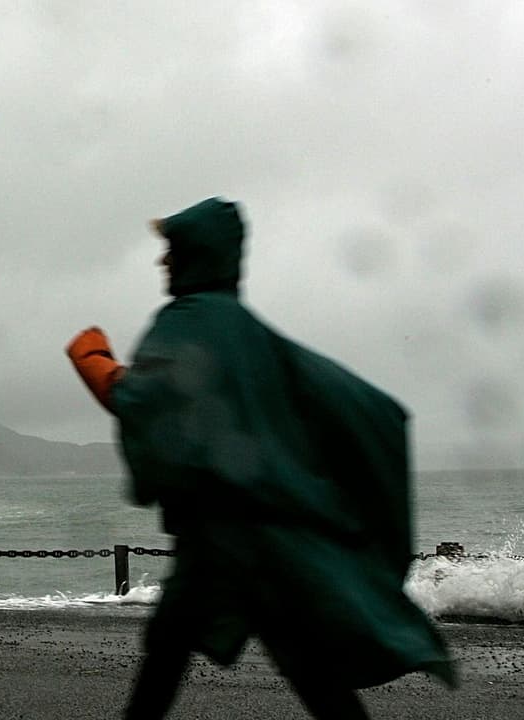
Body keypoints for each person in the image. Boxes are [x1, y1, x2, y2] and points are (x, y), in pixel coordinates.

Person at [66, 198, 455, 719]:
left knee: (169, 655)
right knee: (299, 667)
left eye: (171, 252)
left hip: (222, 538)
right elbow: (348, 406)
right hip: (270, 538)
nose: (163, 263)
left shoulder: (189, 321)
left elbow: (147, 399)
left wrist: (94, 361)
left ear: (192, 257)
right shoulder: (249, 332)